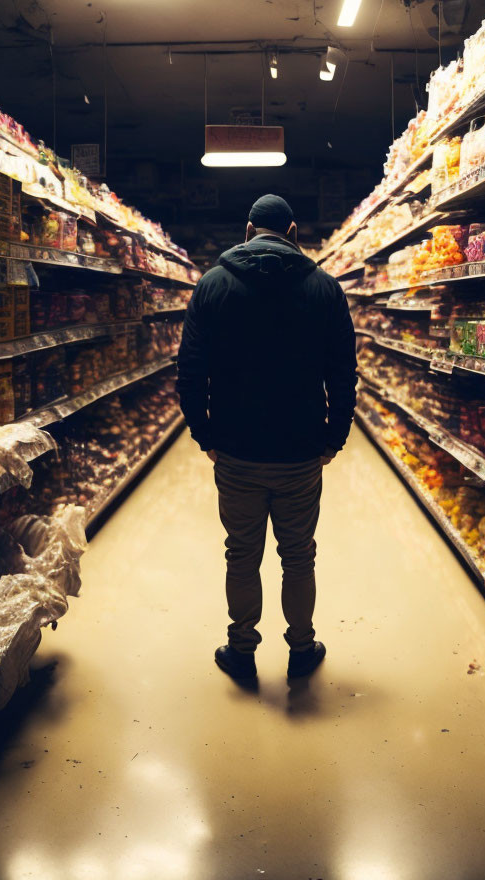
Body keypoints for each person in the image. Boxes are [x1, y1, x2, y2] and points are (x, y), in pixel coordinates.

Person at [177, 194, 357, 682]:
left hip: (235, 448)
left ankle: (242, 650)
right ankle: (301, 648)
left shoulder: (212, 285)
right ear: (294, 231)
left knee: (242, 553)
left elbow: (190, 371)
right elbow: (343, 374)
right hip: (300, 450)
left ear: (249, 229)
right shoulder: (325, 288)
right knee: (298, 554)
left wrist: (204, 433)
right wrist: (333, 437)